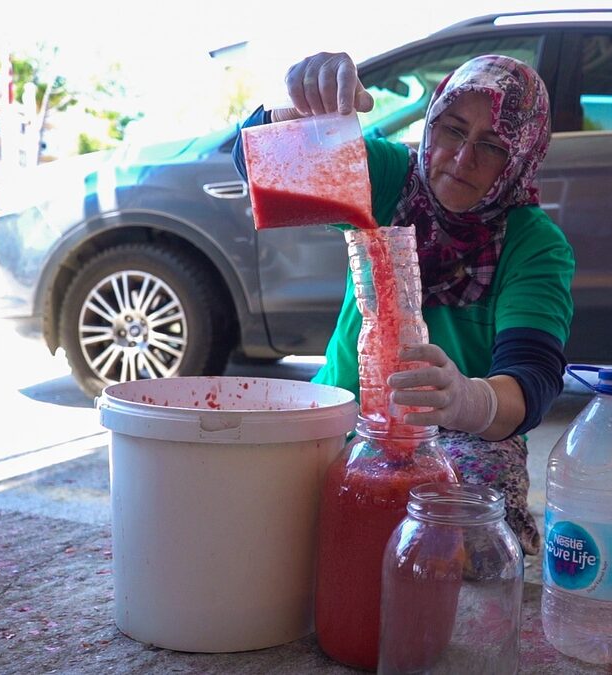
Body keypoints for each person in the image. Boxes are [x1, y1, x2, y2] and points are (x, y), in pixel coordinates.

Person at [233, 52, 574, 555]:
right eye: (453, 130)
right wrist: (298, 113)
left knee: (465, 537)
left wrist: (464, 399)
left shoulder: (534, 244)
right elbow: (258, 165)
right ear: (431, 120)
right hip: (341, 415)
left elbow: (531, 382)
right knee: (263, 525)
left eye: (493, 146)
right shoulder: (392, 179)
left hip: (454, 437)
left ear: (523, 157)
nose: (461, 160)